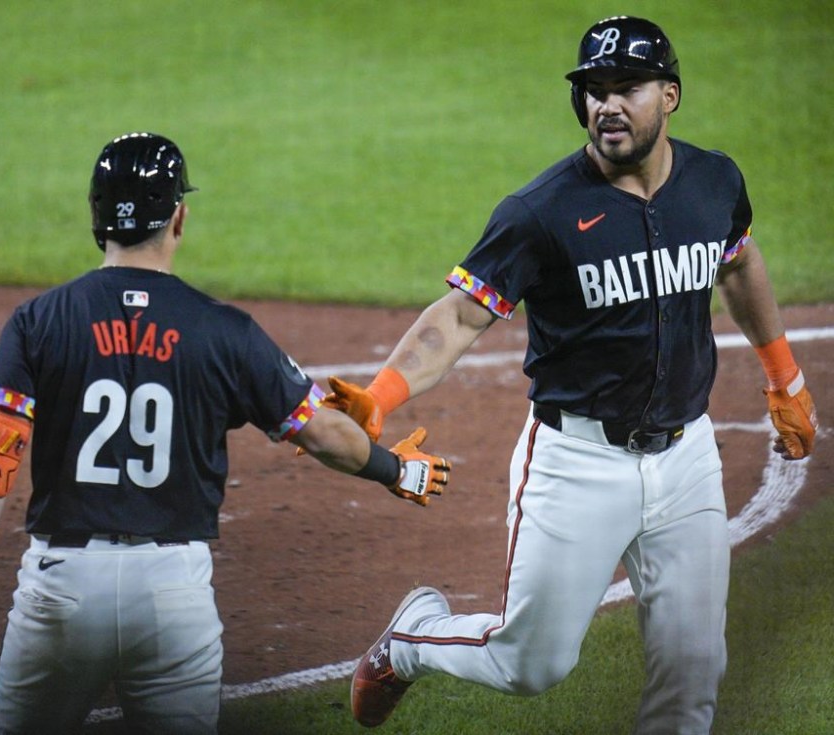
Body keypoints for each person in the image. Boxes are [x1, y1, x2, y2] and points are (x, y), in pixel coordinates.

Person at [336, 17, 818, 734]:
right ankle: (411, 640)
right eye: (594, 90)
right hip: (577, 462)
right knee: (529, 663)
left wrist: (787, 379)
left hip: (686, 458)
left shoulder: (714, 182)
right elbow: (462, 316)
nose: (607, 105)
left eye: (626, 87)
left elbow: (740, 262)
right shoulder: (542, 211)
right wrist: (381, 395)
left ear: (671, 95)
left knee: (693, 677)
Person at [0, 131, 451, 735]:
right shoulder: (223, 331)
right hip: (172, 594)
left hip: (61, 589)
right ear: (179, 216)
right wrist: (396, 470)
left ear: (96, 217)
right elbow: (325, 435)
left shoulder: (37, 322)